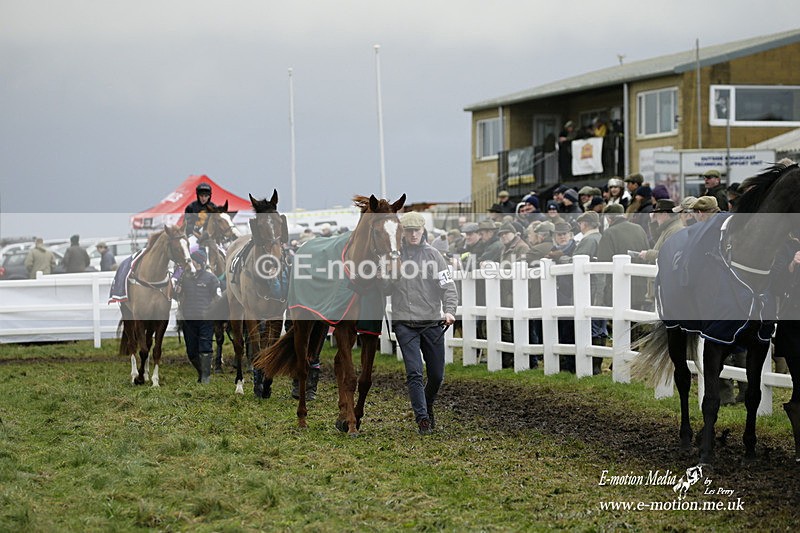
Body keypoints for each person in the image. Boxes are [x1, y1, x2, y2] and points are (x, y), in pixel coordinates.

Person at [388, 212, 458, 435]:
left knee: (436, 375)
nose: (413, 234)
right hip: (404, 323)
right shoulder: (394, 256)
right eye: (408, 231)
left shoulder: (434, 255)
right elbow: (385, 288)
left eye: (416, 230)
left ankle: (427, 406)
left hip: (431, 322)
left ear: (423, 231)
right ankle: (423, 419)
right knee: (415, 373)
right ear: (403, 233)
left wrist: (449, 311)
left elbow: (448, 287)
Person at [177, 249, 221, 384]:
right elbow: (176, 294)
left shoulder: (211, 278)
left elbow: (218, 297)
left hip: (205, 320)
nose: (191, 263)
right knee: (191, 352)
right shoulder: (185, 277)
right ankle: (201, 372)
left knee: (205, 347)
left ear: (199, 263)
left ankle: (206, 377)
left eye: (193, 261)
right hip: (188, 320)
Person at [572, 211, 607, 374]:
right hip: (601, 286)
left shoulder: (588, 240)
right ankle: (597, 364)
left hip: (590, 288)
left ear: (585, 224)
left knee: (592, 325)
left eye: (581, 223)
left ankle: (593, 365)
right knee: (601, 325)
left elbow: (576, 260)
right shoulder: (601, 238)